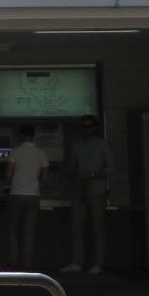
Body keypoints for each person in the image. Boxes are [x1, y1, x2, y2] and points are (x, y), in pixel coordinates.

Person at [64, 115, 114, 276]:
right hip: (80, 189)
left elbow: (111, 168)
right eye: (84, 126)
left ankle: (98, 263)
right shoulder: (76, 147)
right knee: (76, 227)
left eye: (90, 126)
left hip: (97, 189)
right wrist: (74, 174)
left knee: (98, 228)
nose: (87, 129)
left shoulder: (103, 146)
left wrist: (94, 175)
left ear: (95, 127)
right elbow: (70, 168)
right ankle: (77, 262)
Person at [5, 125, 48, 268]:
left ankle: (13, 261)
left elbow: (8, 176)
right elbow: (44, 178)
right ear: (33, 136)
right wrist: (34, 184)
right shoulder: (41, 153)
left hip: (16, 194)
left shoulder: (15, 152)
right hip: (33, 195)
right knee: (29, 231)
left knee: (12, 229)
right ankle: (28, 264)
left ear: (21, 136)